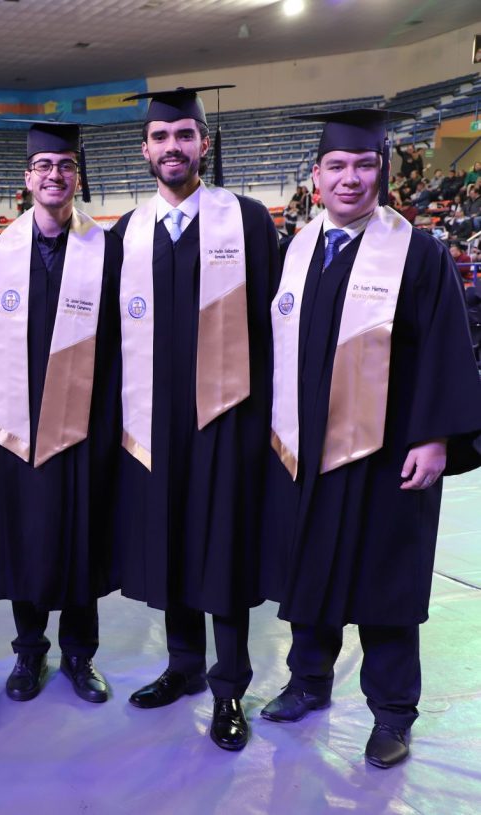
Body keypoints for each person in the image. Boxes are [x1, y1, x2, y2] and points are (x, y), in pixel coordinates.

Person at [260, 108, 481, 769]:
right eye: (337, 166)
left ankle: (392, 713)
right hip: (306, 446)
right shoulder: (298, 249)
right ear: (316, 176)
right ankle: (308, 681)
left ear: (382, 171)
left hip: (388, 451)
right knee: (308, 567)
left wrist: (435, 437)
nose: (350, 178)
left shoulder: (418, 251)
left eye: (364, 165)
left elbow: (446, 346)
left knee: (385, 583)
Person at [110, 87, 281, 751]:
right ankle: (182, 666)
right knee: (172, 541)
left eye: (185, 134)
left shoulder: (248, 221)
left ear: (205, 144)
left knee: (222, 549)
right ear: (145, 150)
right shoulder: (127, 234)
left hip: (228, 419)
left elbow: (274, 327)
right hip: (153, 420)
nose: (172, 146)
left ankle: (229, 686)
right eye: (160, 136)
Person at [0, 121, 122, 704]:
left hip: (85, 419)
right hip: (15, 420)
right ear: (27, 178)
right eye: (44, 166)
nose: (55, 175)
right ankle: (29, 651)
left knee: (81, 534)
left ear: (77, 177)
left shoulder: (108, 252)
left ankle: (80, 655)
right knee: (25, 533)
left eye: (65, 165)